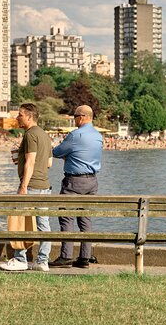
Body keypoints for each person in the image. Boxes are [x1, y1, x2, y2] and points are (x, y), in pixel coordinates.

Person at [0, 103, 53, 272]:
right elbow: (49, 163)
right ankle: (42, 261)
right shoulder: (44, 135)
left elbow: (30, 161)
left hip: (30, 185)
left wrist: (23, 186)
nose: (17, 117)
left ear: (30, 116)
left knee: (20, 223)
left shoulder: (30, 135)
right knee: (44, 225)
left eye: (20, 114)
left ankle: (20, 259)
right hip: (44, 184)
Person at [50, 104, 103, 269]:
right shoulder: (98, 136)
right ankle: (84, 257)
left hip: (74, 181)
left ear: (83, 117)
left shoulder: (76, 135)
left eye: (75, 116)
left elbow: (57, 152)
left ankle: (66, 256)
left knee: (66, 217)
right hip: (92, 181)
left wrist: (67, 154)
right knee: (85, 219)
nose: (74, 120)